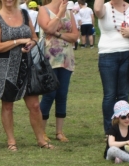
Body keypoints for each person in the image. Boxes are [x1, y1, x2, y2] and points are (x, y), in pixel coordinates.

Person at [0, 0, 54, 151]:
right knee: (8, 105)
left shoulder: (24, 14)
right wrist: (17, 41)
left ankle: (41, 140)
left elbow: (34, 37)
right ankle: (11, 141)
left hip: (26, 64)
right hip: (5, 66)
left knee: (35, 105)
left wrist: (30, 43)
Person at [38, 0, 79, 143]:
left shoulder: (70, 12)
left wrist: (60, 35)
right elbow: (49, 29)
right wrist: (60, 13)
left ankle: (59, 132)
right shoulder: (44, 10)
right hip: (49, 59)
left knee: (62, 95)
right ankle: (41, 132)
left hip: (66, 59)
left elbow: (75, 36)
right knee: (49, 95)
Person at [94, 0, 129, 137]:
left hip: (128, 53)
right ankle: (110, 132)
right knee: (110, 95)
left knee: (123, 94)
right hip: (107, 54)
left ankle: (124, 130)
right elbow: (97, 10)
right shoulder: (104, 7)